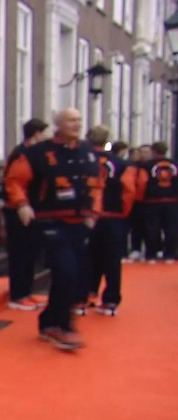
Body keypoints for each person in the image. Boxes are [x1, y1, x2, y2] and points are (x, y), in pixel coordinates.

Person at [4, 108, 102, 351]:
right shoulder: (37, 153)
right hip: (49, 221)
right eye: (71, 120)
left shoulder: (89, 153)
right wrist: (22, 204)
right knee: (65, 270)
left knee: (74, 274)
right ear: (58, 123)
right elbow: (14, 180)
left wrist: (94, 211)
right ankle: (63, 326)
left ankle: (50, 322)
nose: (76, 124)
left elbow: (98, 185)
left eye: (79, 120)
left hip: (78, 222)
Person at [85, 126, 136, 316]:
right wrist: (123, 212)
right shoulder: (122, 164)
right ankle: (111, 300)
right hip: (113, 215)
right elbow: (129, 190)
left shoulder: (83, 159)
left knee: (87, 256)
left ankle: (85, 294)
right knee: (112, 259)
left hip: (87, 215)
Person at [1, 118, 49, 311]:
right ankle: (18, 294)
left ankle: (26, 291)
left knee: (30, 252)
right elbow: (15, 182)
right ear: (36, 134)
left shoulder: (32, 154)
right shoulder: (23, 155)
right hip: (19, 211)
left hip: (31, 209)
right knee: (21, 252)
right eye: (43, 133)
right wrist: (21, 204)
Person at [135, 141, 178, 263]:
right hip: (172, 201)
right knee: (171, 228)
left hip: (152, 201)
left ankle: (152, 254)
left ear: (153, 151)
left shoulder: (147, 166)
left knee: (152, 229)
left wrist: (140, 198)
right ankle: (170, 254)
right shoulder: (175, 164)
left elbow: (142, 183)